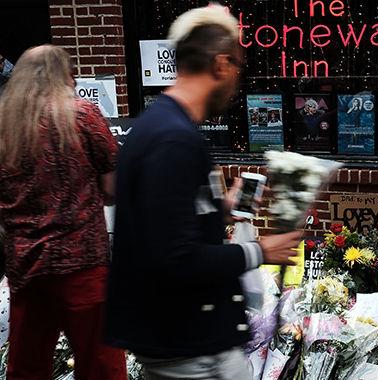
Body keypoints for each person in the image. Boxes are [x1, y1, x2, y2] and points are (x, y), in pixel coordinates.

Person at [104, 6, 301, 380]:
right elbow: (175, 259)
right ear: (221, 64)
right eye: (238, 68)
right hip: (191, 350)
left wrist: (220, 211)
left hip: (181, 343)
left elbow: (165, 223)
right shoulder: (174, 140)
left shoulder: (160, 127)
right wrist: (260, 251)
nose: (236, 82)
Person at [0, 45, 127, 379]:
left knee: (27, 367)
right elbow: (115, 187)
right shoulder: (81, 115)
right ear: (65, 75)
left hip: (26, 267)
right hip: (82, 264)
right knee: (101, 365)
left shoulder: (4, 126)